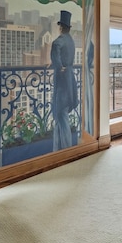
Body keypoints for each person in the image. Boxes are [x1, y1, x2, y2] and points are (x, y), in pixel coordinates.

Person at [50, 10, 78, 150]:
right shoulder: (71, 40)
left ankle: (65, 149)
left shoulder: (60, 40)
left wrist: (58, 65)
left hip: (62, 81)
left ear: (61, 27)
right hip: (70, 79)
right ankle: (58, 148)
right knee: (62, 114)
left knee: (61, 114)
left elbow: (55, 46)